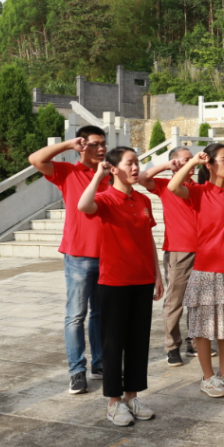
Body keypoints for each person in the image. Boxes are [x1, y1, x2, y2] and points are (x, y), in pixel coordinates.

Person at [76, 147, 163, 426]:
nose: (136, 168)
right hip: (114, 281)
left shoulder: (142, 200)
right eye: (130, 163)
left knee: (138, 342)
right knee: (114, 344)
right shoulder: (105, 199)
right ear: (114, 169)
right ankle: (114, 403)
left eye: (137, 163)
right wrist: (97, 175)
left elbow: (147, 238)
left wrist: (158, 273)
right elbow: (83, 206)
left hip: (142, 279)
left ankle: (131, 396)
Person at [28, 125, 109, 395]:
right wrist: (66, 145)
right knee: (76, 315)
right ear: (82, 145)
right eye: (95, 144)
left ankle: (99, 364)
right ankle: (77, 371)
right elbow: (36, 160)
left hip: (108, 254)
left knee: (100, 315)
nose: (101, 149)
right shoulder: (68, 172)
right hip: (79, 255)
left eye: (103, 144)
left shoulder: (107, 174)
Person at [168, 143, 224, 398]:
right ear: (210, 164)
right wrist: (192, 163)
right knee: (203, 326)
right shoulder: (199, 192)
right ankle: (207, 376)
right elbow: (172, 187)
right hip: (207, 268)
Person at [137, 147, 200, 367]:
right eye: (186, 159)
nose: (191, 162)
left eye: (192, 159)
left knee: (199, 300)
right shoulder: (165, 185)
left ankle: (194, 341)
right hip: (178, 250)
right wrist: (165, 167)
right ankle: (172, 347)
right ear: (174, 162)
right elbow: (141, 178)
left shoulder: (198, 187)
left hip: (203, 250)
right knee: (175, 301)